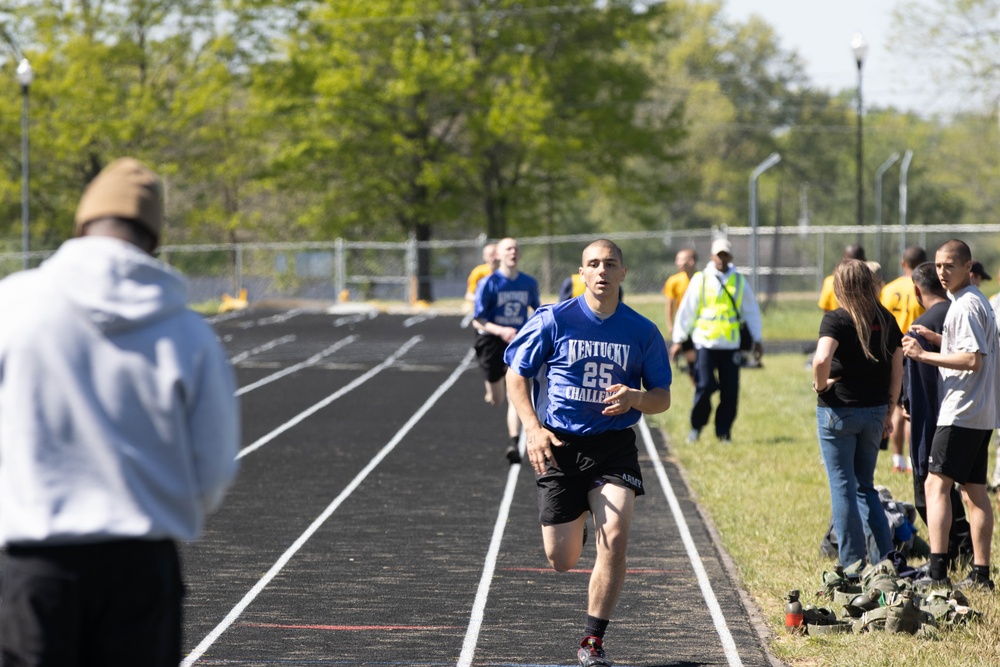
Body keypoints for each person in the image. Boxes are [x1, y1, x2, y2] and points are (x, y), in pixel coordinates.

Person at [0, 158, 241, 665]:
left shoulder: (12, 307)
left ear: (83, 224)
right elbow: (214, 464)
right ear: (153, 239)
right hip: (139, 568)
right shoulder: (188, 331)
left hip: (31, 568)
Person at [504, 239, 671, 667]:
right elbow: (515, 376)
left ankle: (593, 641)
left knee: (614, 536)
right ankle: (576, 520)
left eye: (609, 264)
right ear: (582, 273)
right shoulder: (554, 320)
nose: (601, 271)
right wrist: (533, 429)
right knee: (562, 560)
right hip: (559, 444)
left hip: (613, 446)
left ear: (623, 273)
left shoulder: (642, 331)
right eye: (593, 264)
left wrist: (635, 397)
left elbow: (661, 398)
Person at [902, 239, 1000, 590]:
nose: (942, 272)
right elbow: (969, 348)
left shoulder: (966, 306)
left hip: (961, 410)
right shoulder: (972, 301)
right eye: (938, 266)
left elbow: (973, 360)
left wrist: (922, 354)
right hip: (981, 412)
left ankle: (937, 571)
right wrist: (936, 338)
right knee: (973, 492)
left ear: (967, 267)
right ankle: (981, 575)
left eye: (950, 266)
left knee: (934, 483)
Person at [812, 259, 901, 570]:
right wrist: (889, 410)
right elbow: (897, 369)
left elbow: (822, 358)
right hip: (876, 411)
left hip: (839, 411)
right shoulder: (887, 319)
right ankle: (886, 559)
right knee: (866, 484)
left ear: (840, 287)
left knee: (842, 485)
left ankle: (851, 563)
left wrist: (820, 386)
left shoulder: (836, 319)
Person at [902, 262, 972, 563]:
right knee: (963, 487)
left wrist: (906, 406)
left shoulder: (920, 327)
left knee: (928, 490)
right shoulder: (961, 313)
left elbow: (914, 383)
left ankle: (950, 550)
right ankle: (966, 547)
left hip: (933, 417)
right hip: (970, 412)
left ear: (917, 290)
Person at [670, 238, 763, 443]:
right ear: (712, 256)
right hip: (705, 344)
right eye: (718, 254)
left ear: (730, 256)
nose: (721, 258)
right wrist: (678, 339)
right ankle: (696, 428)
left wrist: (757, 339)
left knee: (730, 392)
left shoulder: (739, 281)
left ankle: (724, 433)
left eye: (725, 255)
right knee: (704, 387)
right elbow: (687, 311)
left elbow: (751, 311)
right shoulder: (701, 279)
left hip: (730, 346)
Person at [473, 237, 540, 464]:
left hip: (518, 343)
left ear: (519, 255)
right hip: (492, 341)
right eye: (508, 249)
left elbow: (538, 311)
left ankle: (514, 443)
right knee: (497, 399)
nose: (512, 252)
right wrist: (501, 330)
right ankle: (491, 391)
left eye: (516, 249)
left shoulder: (529, 283)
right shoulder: (488, 283)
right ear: (498, 255)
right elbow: (478, 321)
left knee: (516, 395)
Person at [881, 245, 927, 474]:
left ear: (903, 264)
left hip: (892, 349)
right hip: (917, 348)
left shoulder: (889, 289)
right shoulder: (923, 287)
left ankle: (897, 460)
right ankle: (911, 461)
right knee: (913, 407)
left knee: (897, 408)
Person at [663, 248, 698, 385]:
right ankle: (697, 387)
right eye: (677, 259)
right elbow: (670, 304)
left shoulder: (702, 278)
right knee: (691, 359)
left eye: (681, 259)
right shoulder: (674, 281)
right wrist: (671, 325)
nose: (678, 262)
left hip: (702, 326)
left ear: (691, 261)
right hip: (685, 326)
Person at [818, 244, 866, 311]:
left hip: (835, 320)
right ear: (864, 261)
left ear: (843, 260)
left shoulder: (830, 281)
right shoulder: (869, 283)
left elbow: (825, 309)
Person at [463, 243, 499, 313]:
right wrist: (485, 300)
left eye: (495, 254)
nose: (493, 258)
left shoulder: (506, 272)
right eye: (490, 255)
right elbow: (469, 295)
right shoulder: (478, 272)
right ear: (484, 257)